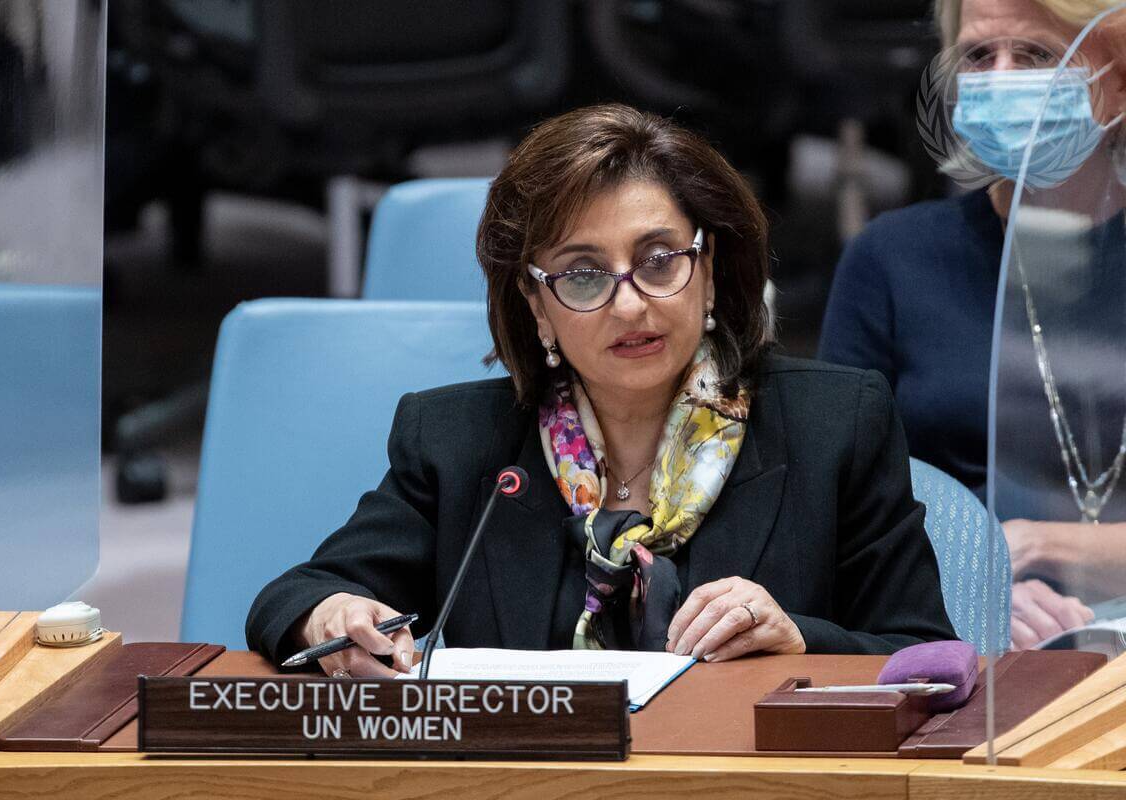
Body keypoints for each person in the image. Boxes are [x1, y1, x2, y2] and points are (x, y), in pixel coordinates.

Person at [247, 103, 956, 678]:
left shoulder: (835, 424)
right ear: (535, 303)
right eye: (584, 275)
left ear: (708, 270)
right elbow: (294, 597)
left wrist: (797, 637)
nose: (629, 305)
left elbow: (927, 655)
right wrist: (334, 618)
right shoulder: (458, 444)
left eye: (658, 261)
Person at [819, 0, 1126, 649]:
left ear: (1119, 79)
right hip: (964, 652)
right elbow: (838, 511)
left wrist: (1031, 545)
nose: (1001, 78)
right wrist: (977, 590)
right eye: (980, 57)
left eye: (1037, 55)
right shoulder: (891, 261)